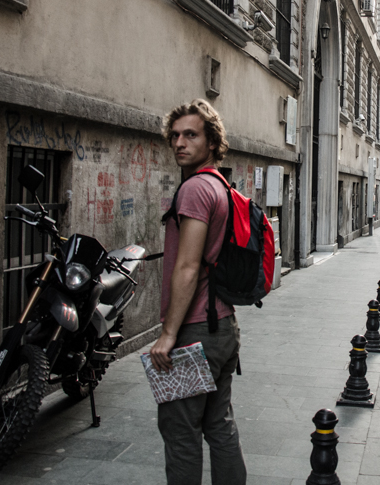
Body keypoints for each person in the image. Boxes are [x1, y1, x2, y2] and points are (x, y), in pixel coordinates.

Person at [150, 99, 247, 485]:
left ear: (212, 142)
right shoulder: (221, 185)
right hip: (223, 327)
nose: (179, 143)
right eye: (175, 135)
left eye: (190, 135)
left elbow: (188, 266)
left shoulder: (194, 190)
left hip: (194, 332)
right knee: (219, 424)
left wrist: (168, 334)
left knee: (181, 433)